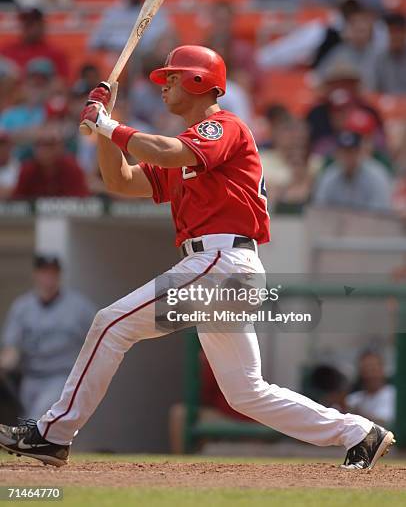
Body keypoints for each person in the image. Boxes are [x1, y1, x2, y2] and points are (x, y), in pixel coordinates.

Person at [0, 45, 395, 470]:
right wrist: (102, 130)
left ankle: (53, 434)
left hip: (219, 263)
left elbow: (169, 152)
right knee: (246, 392)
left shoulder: (223, 127)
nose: (166, 85)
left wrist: (110, 125)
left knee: (110, 324)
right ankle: (360, 433)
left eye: (173, 77)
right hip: (222, 270)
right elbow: (120, 179)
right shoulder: (186, 145)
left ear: (199, 81)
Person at [0, 254, 95, 420]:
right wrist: (4, 364)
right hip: (30, 378)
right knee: (28, 423)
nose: (49, 277)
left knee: (39, 418)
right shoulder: (22, 307)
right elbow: (12, 348)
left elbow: (99, 339)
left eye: (53, 273)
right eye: (45, 272)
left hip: (61, 377)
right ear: (36, 274)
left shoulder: (79, 307)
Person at [88, 0, 173, 56]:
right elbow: (95, 42)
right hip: (114, 56)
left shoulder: (155, 11)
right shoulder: (113, 13)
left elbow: (156, 40)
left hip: (144, 58)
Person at [313, 130, 393, 211]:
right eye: (344, 152)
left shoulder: (377, 175)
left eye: (352, 152)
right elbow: (320, 210)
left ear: (361, 152)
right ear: (336, 154)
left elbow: (380, 215)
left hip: (368, 222)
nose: (348, 157)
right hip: (335, 222)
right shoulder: (329, 176)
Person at [13, 125, 89, 199]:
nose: (44, 150)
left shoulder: (72, 168)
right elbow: (17, 202)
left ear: (61, 147)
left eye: (50, 144)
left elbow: (82, 201)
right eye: (39, 144)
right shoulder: (27, 170)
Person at [1, 7, 69, 80]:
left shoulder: (55, 53)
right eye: (24, 22)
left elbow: (63, 82)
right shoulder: (6, 50)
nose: (26, 26)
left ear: (42, 25)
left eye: (31, 23)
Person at [346, 351, 396, 429]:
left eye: (373, 369)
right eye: (365, 369)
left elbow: (383, 425)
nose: (369, 374)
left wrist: (354, 415)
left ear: (382, 369)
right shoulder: (354, 398)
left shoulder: (393, 394)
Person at [370, 12, 406, 94]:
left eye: (399, 32)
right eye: (391, 32)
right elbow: (372, 90)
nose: (395, 36)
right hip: (384, 104)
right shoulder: (377, 58)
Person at [0, 130, 19, 199]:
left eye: (3, 145)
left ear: (10, 146)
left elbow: (18, 191)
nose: (1, 149)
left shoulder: (19, 167)